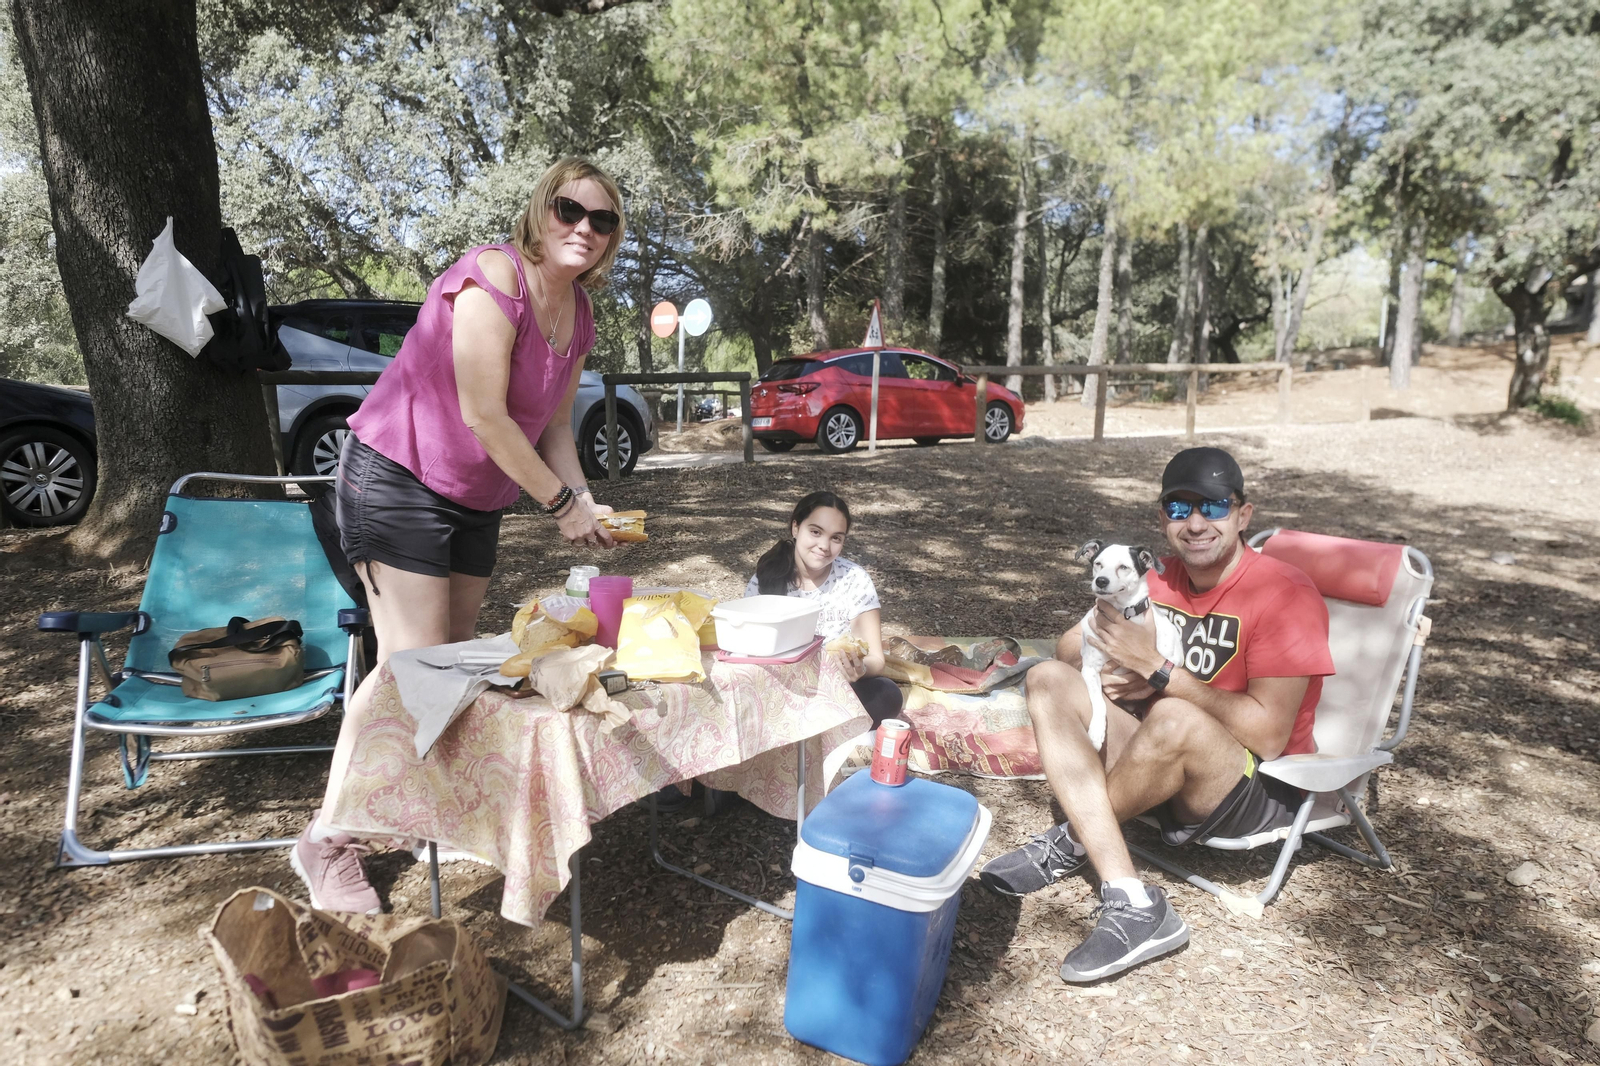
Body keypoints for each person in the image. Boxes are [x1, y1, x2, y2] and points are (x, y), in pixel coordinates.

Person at [291, 157, 626, 913]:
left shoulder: (580, 315)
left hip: (475, 497)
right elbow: (483, 413)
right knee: (412, 671)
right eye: (570, 211)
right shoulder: (492, 277)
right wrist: (557, 506)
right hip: (396, 475)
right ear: (542, 212)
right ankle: (329, 839)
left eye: (601, 221)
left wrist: (585, 500)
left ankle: (415, 809)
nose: (584, 229)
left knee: (454, 669)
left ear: (613, 237)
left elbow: (555, 429)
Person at [979, 446, 1333, 983]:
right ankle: (1132, 898)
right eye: (1178, 507)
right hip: (1156, 763)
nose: (1194, 523)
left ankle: (1076, 835)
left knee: (1171, 714)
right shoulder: (1153, 578)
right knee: (1046, 679)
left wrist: (1158, 670)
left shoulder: (1284, 595)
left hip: (1251, 786)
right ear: (1161, 517)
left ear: (1243, 514)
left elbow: (1269, 735)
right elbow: (1068, 648)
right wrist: (1104, 668)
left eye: (1213, 507)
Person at [746, 491, 903, 725]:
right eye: (816, 532)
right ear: (796, 528)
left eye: (836, 538)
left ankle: (809, 724)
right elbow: (748, 651)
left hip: (838, 688)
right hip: (781, 685)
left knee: (886, 696)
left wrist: (858, 669)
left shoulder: (854, 579)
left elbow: (876, 660)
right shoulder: (765, 580)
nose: (824, 546)